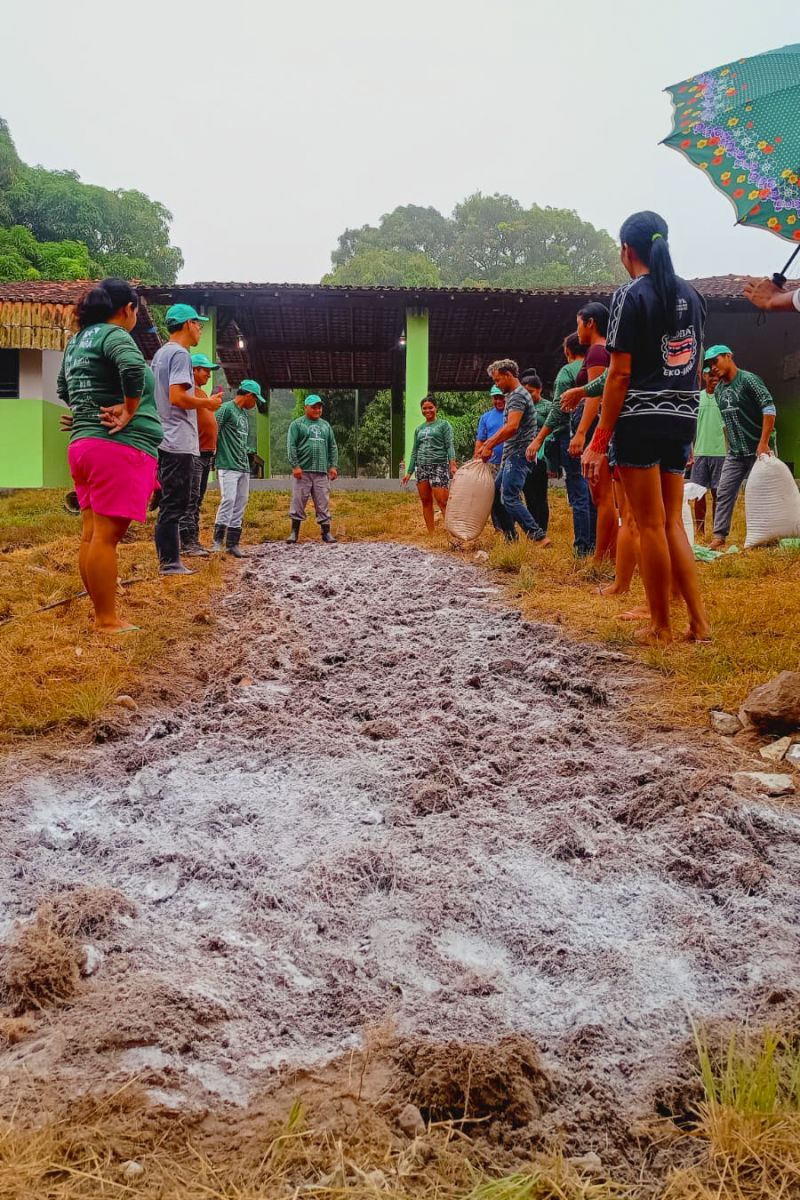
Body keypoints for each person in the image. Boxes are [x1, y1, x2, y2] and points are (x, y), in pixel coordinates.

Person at [580, 210, 710, 644]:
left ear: (626, 250)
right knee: (672, 523)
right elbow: (694, 365)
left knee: (649, 524)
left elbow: (619, 375)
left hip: (640, 418)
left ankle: (660, 627)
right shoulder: (694, 296)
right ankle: (699, 623)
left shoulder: (629, 296)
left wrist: (599, 440)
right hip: (682, 416)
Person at [57, 278, 163, 634]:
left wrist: (86, 411)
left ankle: (102, 611)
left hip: (84, 446)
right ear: (127, 309)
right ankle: (106, 619)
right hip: (116, 447)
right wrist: (130, 409)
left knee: (92, 534)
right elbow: (132, 367)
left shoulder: (77, 342)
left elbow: (63, 387)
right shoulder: (114, 334)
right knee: (106, 537)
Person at [151, 303, 220, 575]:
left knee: (172, 502)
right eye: (198, 323)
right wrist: (207, 404)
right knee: (176, 503)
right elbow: (177, 397)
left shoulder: (161, 354)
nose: (200, 329)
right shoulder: (180, 354)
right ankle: (170, 562)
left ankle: (170, 558)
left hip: (167, 438)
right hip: (178, 440)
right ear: (188, 324)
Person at [705, 345, 777, 550]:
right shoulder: (719, 391)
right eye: (709, 365)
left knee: (765, 493)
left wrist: (763, 443)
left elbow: (769, 409)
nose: (713, 367)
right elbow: (725, 422)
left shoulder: (749, 380)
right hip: (735, 453)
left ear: (728, 356)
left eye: (716, 361)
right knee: (724, 491)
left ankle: (769, 536)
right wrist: (729, 446)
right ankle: (719, 537)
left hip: (759, 450)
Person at [526, 334, 592, 555]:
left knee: (578, 490)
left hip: (571, 437)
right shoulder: (598, 367)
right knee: (596, 491)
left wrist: (539, 438)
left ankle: (582, 546)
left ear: (568, 351)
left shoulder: (568, 372)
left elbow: (558, 410)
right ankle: (598, 544)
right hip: (597, 435)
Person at [477, 359, 550, 545]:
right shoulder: (513, 395)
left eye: (498, 380)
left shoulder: (517, 396)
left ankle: (538, 536)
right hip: (512, 454)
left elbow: (512, 427)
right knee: (496, 495)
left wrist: (489, 444)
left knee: (509, 496)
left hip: (518, 454)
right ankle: (511, 539)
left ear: (508, 375)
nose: (497, 385)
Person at [568, 303, 614, 564]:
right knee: (605, 497)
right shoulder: (605, 350)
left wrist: (581, 433)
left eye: (578, 324)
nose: (577, 331)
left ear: (590, 323)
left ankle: (600, 556)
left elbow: (596, 396)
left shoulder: (597, 351)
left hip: (597, 427)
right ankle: (609, 554)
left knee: (602, 496)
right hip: (601, 427)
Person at [210, 380, 262, 557]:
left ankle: (233, 543)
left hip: (243, 465)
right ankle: (217, 540)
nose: (255, 404)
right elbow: (213, 429)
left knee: (241, 501)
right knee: (229, 499)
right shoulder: (226, 409)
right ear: (249, 395)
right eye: (255, 399)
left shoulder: (244, 415)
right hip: (228, 463)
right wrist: (212, 453)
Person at [180, 353, 224, 556]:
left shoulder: (202, 394)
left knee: (197, 498)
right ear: (194, 370)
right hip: (194, 453)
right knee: (191, 497)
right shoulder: (188, 393)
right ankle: (187, 541)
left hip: (206, 454)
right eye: (205, 370)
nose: (208, 374)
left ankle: (194, 539)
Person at [287, 394, 339, 543]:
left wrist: (333, 466)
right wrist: (295, 465)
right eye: (314, 407)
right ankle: (294, 532)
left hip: (321, 471)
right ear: (306, 407)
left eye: (319, 407)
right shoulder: (297, 425)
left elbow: (332, 446)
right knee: (298, 501)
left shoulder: (326, 426)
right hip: (302, 471)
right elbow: (291, 446)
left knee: (323, 502)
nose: (317, 410)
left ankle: (326, 532)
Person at [403, 396, 457, 533]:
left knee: (443, 501)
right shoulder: (418, 429)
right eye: (424, 408)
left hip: (438, 466)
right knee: (426, 501)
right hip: (421, 467)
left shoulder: (444, 425)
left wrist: (452, 464)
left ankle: (452, 533)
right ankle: (431, 534)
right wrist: (409, 472)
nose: (427, 410)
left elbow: (449, 445)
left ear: (436, 408)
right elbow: (414, 451)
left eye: (430, 407)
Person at [689, 367, 726, 539]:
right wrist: (690, 449)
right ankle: (700, 532)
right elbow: (690, 427)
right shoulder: (697, 398)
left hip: (721, 453)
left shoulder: (725, 398)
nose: (714, 378)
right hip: (700, 453)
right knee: (698, 494)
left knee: (719, 494)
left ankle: (718, 533)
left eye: (717, 375)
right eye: (710, 375)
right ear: (704, 376)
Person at [475, 385, 514, 535]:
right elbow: (480, 440)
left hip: (510, 461)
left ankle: (511, 526)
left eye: (501, 397)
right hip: (491, 463)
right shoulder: (486, 417)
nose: (498, 401)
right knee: (493, 495)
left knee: (510, 493)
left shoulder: (513, 415)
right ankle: (498, 527)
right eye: (495, 398)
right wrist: (477, 458)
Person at [520, 370, 550, 534]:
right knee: (528, 495)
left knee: (540, 496)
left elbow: (554, 429)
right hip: (523, 457)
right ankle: (533, 531)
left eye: (530, 392)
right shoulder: (521, 408)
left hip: (541, 456)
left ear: (540, 389)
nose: (528, 396)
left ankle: (542, 529)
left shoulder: (548, 407)